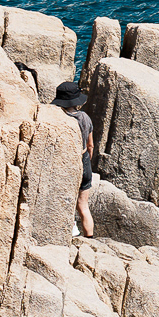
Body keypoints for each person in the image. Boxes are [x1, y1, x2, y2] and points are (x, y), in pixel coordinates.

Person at [55, 83, 95, 240]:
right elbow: (91, 145)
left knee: (65, 201)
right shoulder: (85, 117)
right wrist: (86, 161)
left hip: (68, 163)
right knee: (83, 205)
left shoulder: (61, 118)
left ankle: (72, 232)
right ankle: (89, 238)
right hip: (84, 159)